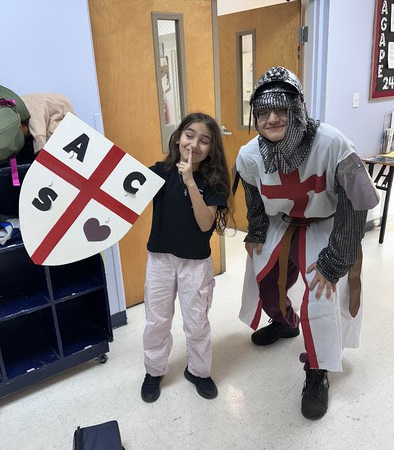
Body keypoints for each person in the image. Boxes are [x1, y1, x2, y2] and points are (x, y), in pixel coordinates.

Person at [235, 66, 379, 420]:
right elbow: (254, 196)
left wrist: (336, 258)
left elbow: (356, 203)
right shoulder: (249, 155)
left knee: (320, 294)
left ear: (298, 107)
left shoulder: (333, 143)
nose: (271, 120)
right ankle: (284, 323)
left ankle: (318, 371)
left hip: (326, 224)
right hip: (281, 222)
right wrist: (255, 228)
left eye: (280, 110)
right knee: (264, 279)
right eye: (263, 112)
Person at [141, 112, 235, 403]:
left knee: (196, 322)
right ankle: (154, 371)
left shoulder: (215, 181)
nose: (194, 144)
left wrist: (190, 180)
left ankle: (199, 371)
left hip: (195, 264)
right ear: (178, 136)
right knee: (156, 320)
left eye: (204, 140)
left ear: (212, 148)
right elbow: (122, 187)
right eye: (189, 135)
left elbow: (206, 223)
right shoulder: (159, 172)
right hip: (160, 260)